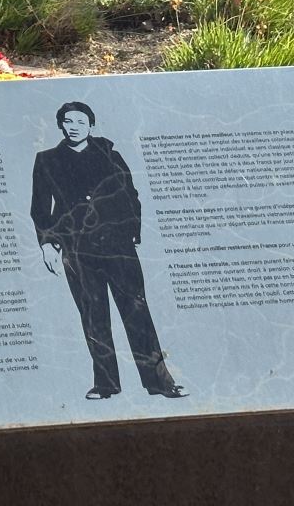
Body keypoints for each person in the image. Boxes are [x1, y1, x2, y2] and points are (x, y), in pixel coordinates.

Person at [30, 101, 185, 401]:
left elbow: (130, 193)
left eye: (80, 121)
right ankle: (105, 384)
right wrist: (47, 243)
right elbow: (40, 206)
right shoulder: (46, 159)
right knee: (93, 316)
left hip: (118, 245)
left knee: (137, 312)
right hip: (77, 248)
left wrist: (132, 232)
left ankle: (160, 383)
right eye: (68, 121)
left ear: (91, 125)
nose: (74, 127)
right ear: (60, 125)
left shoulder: (109, 153)